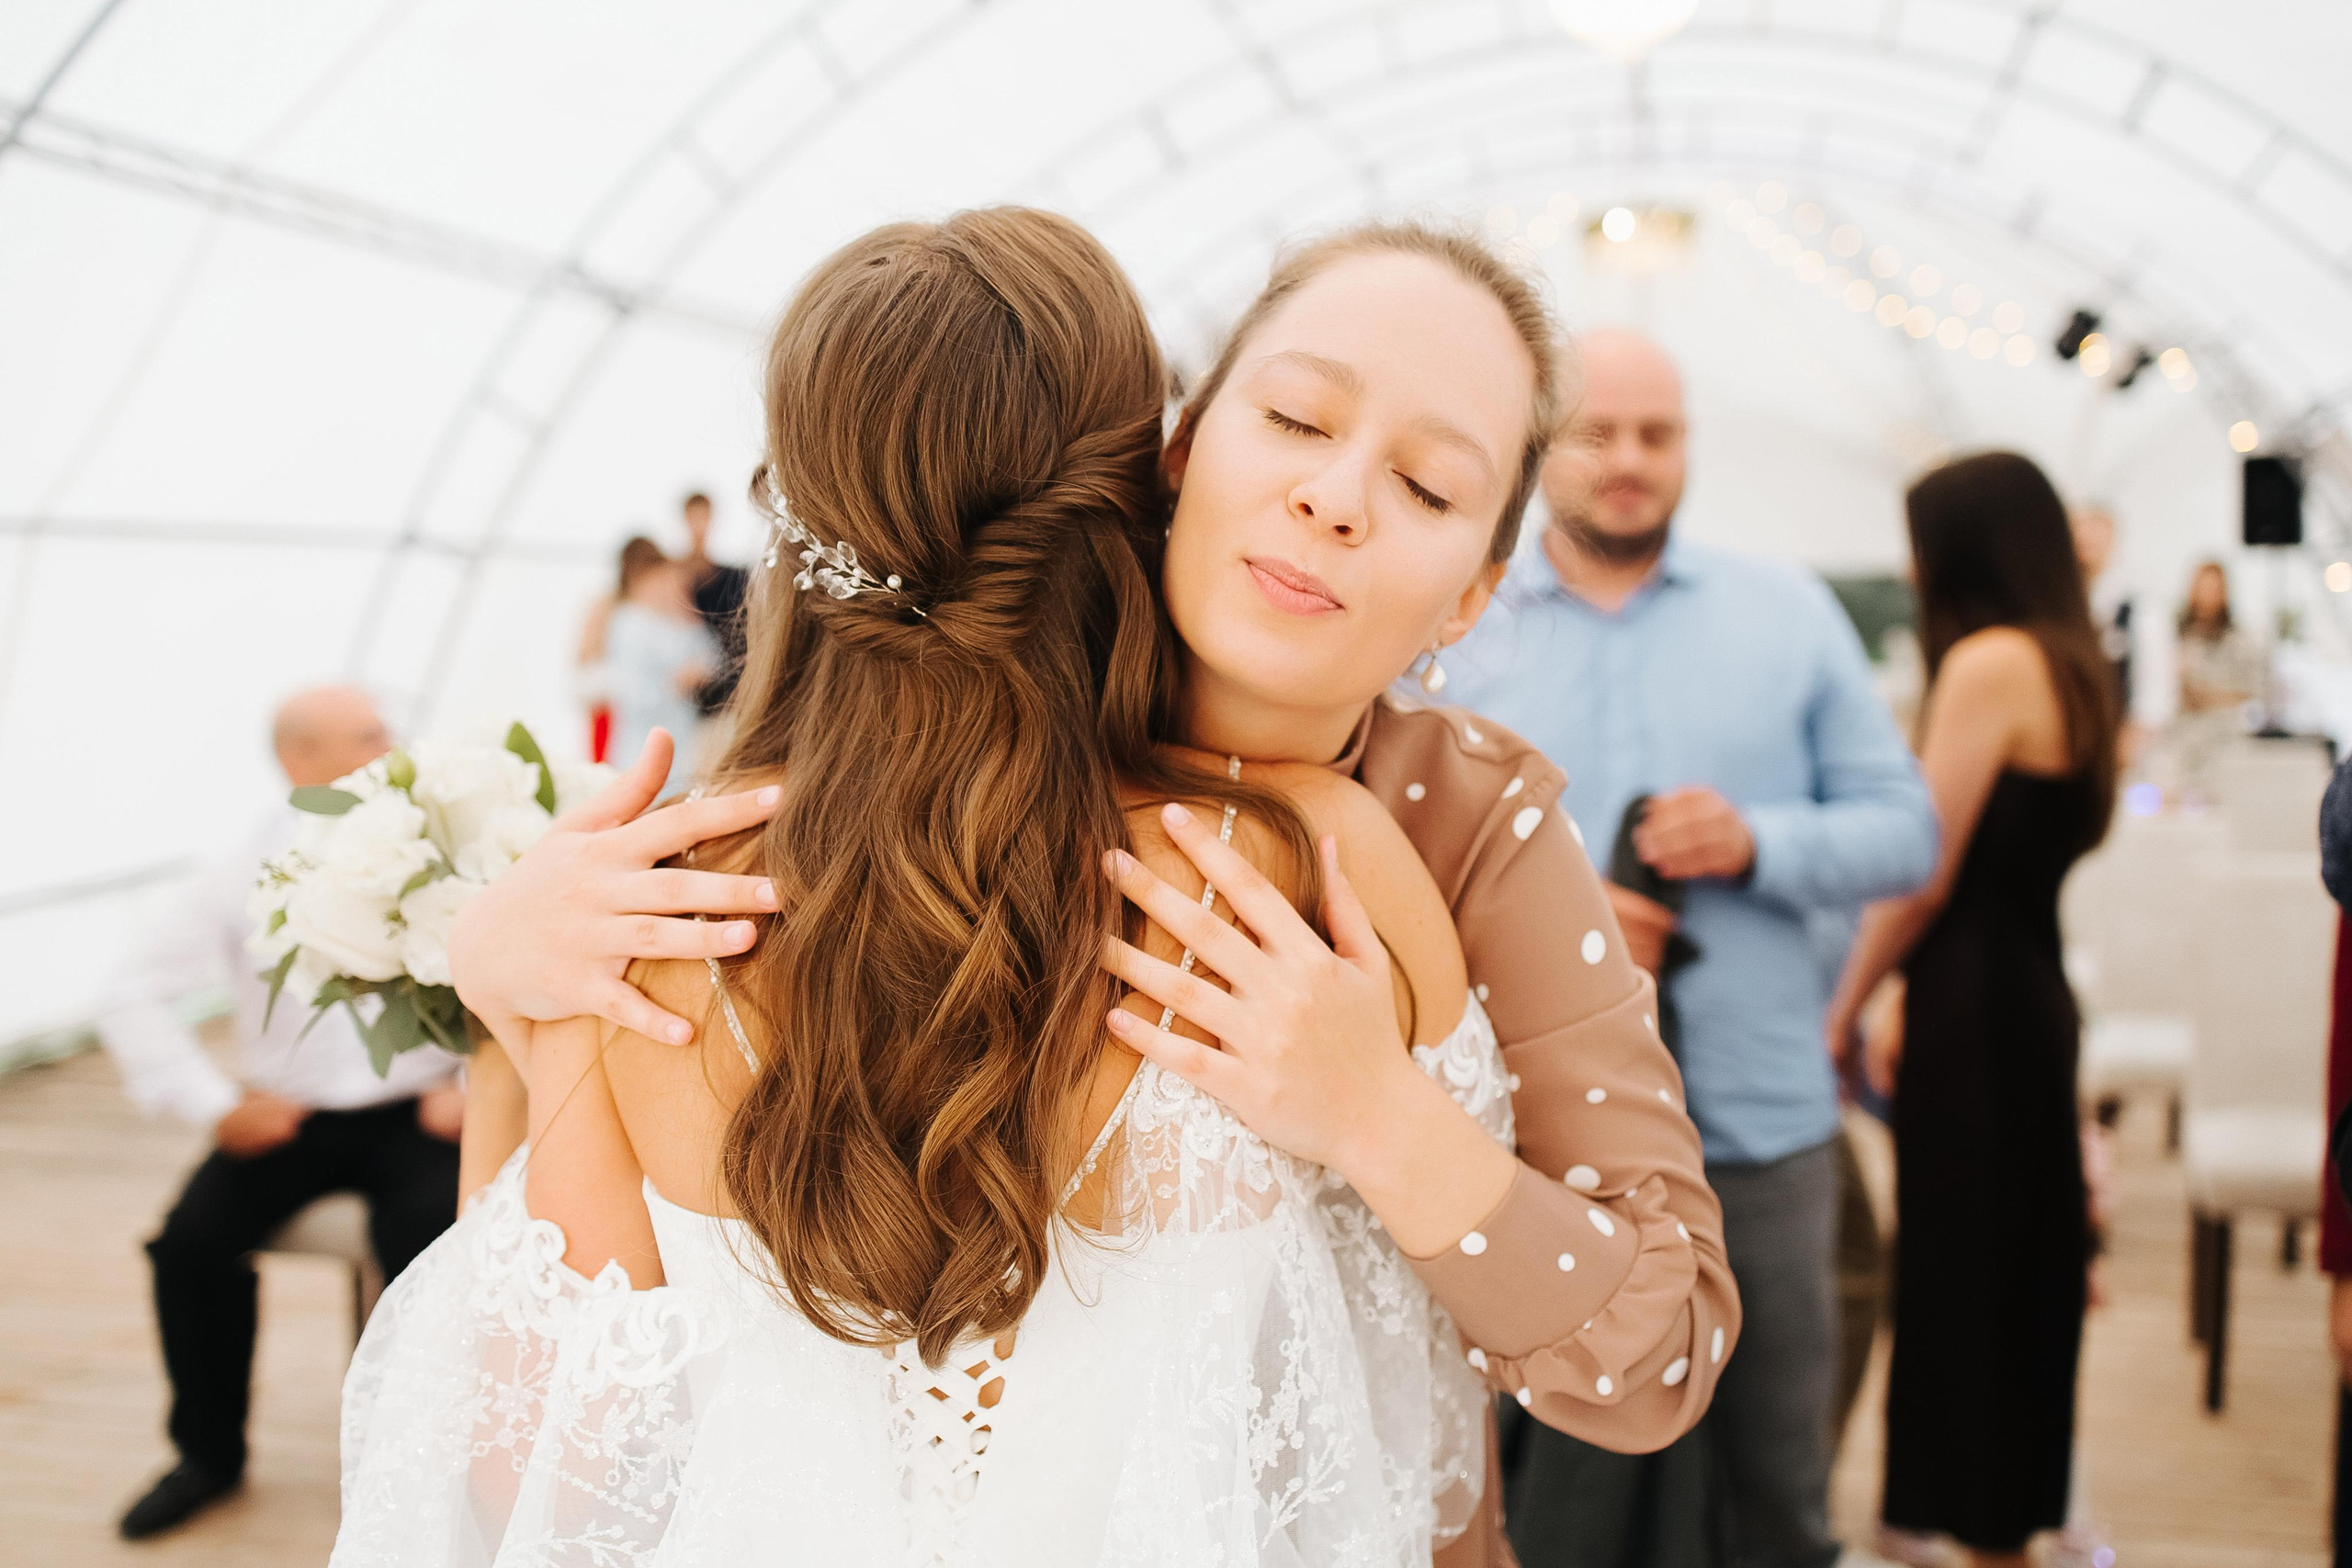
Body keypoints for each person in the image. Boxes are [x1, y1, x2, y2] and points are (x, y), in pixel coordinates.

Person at [437, 219, 1741, 1567]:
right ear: (1171, 453)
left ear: (1473, 595)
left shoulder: (1457, 820)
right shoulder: (894, 794)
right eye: (1296, 417)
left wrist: (1379, 1115)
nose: (1338, 496)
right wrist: (501, 987)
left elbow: (1655, 1357)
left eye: (1425, 487)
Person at [1442, 328, 1938, 1568]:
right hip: (1520, 1140)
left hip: (1760, 1123)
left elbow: (1908, 830)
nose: (1627, 461)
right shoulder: (1456, 625)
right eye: (1598, 434)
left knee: (1780, 1485)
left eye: (1656, 435)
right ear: (1541, 448)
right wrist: (1554, 920)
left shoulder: (1786, 613)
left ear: (1688, 446)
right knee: (1533, 1491)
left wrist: (1756, 839)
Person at [1823, 451, 2119, 1567]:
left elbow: (1920, 865)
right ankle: (2001, 1513)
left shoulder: (1988, 663)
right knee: (2017, 1262)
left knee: (1967, 1271)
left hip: (1972, 1004)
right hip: (2026, 992)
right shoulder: (2075, 662)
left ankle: (1974, 1523)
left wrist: (1844, 1001)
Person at [100, 686, 464, 1541]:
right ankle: (207, 1454)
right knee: (188, 1245)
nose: (393, 744)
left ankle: (421, 1460)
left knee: (433, 1243)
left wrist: (475, 1084)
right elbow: (130, 992)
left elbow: (510, 977)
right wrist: (214, 1103)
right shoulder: (238, 870)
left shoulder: (445, 847)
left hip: (422, 1112)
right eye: (369, 733)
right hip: (291, 1118)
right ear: (300, 760)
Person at [604, 537, 717, 797]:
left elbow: (710, 657)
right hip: (643, 737)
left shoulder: (675, 619)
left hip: (682, 735)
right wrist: (675, 685)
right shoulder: (629, 623)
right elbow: (630, 693)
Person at [2169, 558, 2258, 804]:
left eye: (2213, 589)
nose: (2206, 596)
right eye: (2202, 587)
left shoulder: (2239, 640)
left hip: (2221, 742)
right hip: (2178, 740)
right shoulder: (2176, 636)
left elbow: (2252, 691)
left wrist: (2208, 697)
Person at [679, 488, 751, 713]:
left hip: (727, 692)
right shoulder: (674, 578)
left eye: (704, 517)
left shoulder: (735, 579)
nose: (699, 526)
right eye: (694, 518)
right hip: (683, 693)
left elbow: (744, 637)